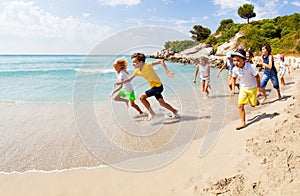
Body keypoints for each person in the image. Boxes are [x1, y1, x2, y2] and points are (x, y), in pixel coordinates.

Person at [115, 53, 178, 121]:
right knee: (162, 103)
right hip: (154, 87)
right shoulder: (137, 71)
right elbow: (129, 79)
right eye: (132, 62)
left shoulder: (147, 65)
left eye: (135, 62)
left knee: (142, 97)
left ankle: (152, 113)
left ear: (141, 62)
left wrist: (167, 72)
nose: (133, 64)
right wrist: (120, 82)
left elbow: (161, 61)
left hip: (158, 87)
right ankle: (174, 111)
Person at [230, 48, 261, 130]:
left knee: (253, 105)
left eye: (238, 60)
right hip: (243, 89)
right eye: (234, 60)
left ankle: (256, 100)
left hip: (252, 88)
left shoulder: (251, 67)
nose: (236, 63)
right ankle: (243, 123)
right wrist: (233, 89)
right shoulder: (235, 69)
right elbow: (233, 78)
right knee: (240, 106)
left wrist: (258, 89)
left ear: (244, 60)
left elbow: (257, 77)